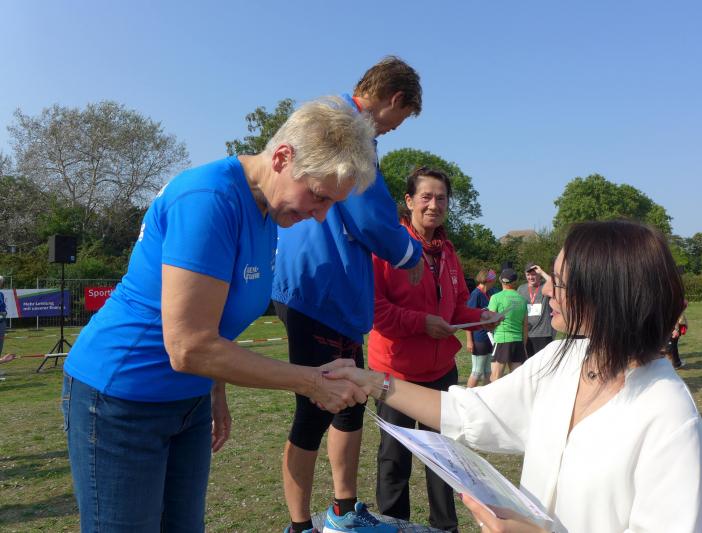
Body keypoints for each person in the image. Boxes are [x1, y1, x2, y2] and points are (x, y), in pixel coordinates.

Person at [61, 97, 377, 532]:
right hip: (121, 399)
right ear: (282, 158)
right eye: (320, 197)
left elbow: (213, 320)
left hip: (187, 401)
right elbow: (189, 346)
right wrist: (310, 381)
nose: (321, 216)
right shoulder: (209, 199)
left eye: (331, 205)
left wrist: (216, 388)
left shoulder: (268, 211)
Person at [325, 220, 702, 533]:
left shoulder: (669, 420)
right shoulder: (564, 360)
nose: (545, 291)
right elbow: (471, 412)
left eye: (558, 282)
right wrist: (373, 381)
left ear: (607, 295)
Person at [270, 57, 425, 533]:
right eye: (401, 118)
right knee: (315, 408)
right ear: (395, 99)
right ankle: (299, 525)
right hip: (317, 286)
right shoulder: (344, 127)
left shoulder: (341, 120)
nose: (395, 128)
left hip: (334, 291)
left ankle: (343, 510)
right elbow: (369, 215)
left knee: (351, 399)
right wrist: (410, 253)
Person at [367, 166, 500, 533]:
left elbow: (455, 308)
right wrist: (422, 322)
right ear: (409, 201)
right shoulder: (388, 247)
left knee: (444, 459)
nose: (434, 205)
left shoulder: (448, 252)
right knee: (394, 459)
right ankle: (395, 526)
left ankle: (445, 527)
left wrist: (480, 316)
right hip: (395, 373)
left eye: (441, 198)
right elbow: (375, 311)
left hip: (441, 371)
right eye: (426, 197)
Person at [488, 269, 528, 381]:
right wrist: (523, 345)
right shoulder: (522, 299)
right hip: (518, 341)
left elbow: (490, 320)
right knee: (517, 379)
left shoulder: (495, 297)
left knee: (495, 378)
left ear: (500, 280)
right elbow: (525, 325)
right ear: (515, 282)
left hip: (502, 340)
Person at [466, 269, 497, 388]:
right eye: (493, 279)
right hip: (479, 338)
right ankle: (466, 396)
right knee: (477, 371)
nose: (495, 282)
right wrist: (469, 340)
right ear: (489, 280)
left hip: (489, 337)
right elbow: (468, 319)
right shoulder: (476, 294)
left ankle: (486, 394)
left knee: (488, 371)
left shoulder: (490, 292)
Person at [518, 263, 554, 359]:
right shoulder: (521, 289)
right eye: (528, 275)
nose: (531, 277)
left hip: (543, 333)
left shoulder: (545, 286)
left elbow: (555, 283)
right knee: (528, 363)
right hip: (527, 333)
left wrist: (542, 272)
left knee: (544, 362)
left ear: (538, 274)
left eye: (534, 274)